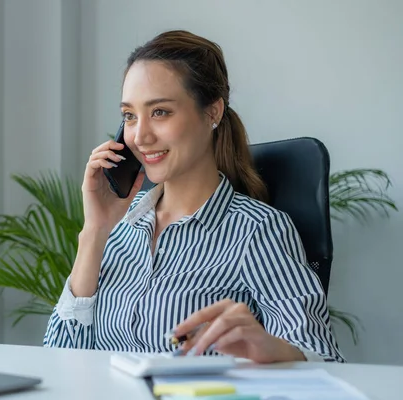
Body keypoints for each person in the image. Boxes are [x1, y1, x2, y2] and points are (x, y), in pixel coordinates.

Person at [43, 30, 345, 363]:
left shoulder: (258, 232)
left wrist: (272, 350)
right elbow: (60, 363)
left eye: (160, 112)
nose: (139, 136)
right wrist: (95, 232)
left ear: (212, 112)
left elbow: (324, 359)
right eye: (130, 116)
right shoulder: (119, 232)